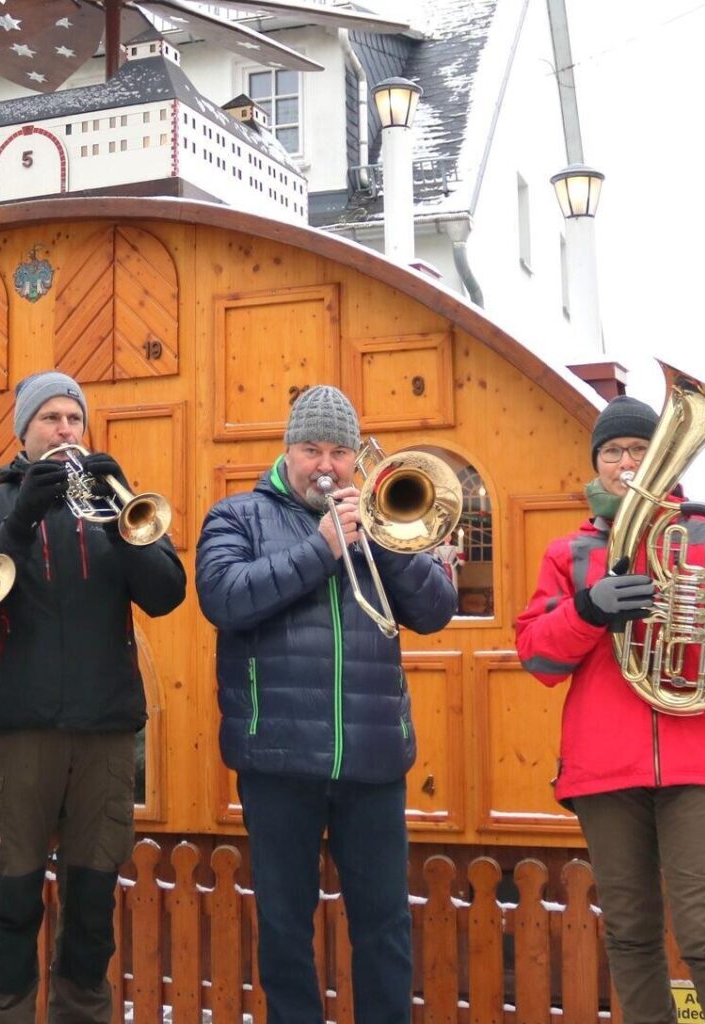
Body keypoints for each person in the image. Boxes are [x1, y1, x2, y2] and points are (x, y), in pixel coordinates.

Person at [512, 395, 705, 1024]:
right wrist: (587, 609)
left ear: (662, 457)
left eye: (639, 449)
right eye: (613, 451)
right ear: (597, 463)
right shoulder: (569, 555)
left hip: (703, 757)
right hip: (605, 766)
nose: (627, 463)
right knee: (629, 932)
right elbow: (537, 658)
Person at [194, 384, 457, 1024]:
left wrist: (385, 544)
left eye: (340, 452)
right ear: (287, 450)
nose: (327, 465)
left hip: (371, 760)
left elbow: (435, 610)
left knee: (385, 927)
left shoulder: (383, 522)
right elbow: (224, 597)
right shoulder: (237, 516)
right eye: (312, 448)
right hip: (277, 758)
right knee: (285, 929)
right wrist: (323, 548)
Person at [0, 370, 188, 1023]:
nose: (64, 431)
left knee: (91, 902)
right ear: (23, 432)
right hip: (18, 731)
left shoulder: (114, 503)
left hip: (105, 733)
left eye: (73, 419)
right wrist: (21, 520)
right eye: (50, 419)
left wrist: (120, 520)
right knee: (12, 899)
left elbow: (167, 593)